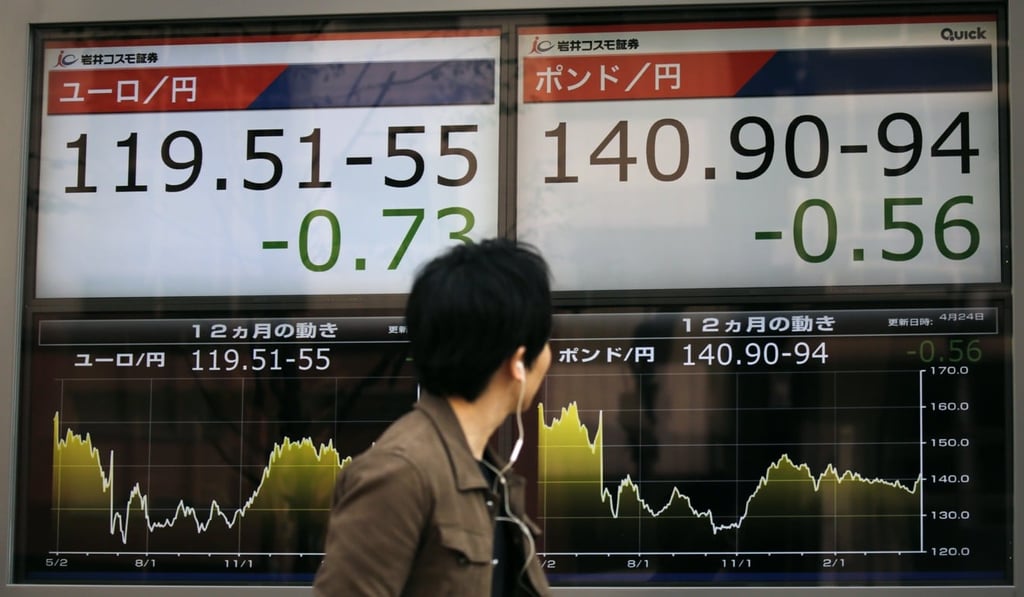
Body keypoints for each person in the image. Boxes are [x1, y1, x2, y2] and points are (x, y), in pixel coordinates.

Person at [313, 238, 553, 597]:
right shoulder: (401, 473)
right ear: (518, 361)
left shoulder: (487, 475)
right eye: (546, 340)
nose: (549, 355)